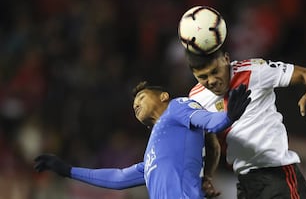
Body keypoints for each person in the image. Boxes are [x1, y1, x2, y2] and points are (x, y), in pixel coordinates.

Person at [34, 81, 251, 199]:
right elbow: (118, 178)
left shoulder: (177, 107)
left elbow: (208, 121)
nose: (136, 104)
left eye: (141, 97)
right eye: (134, 104)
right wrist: (69, 171)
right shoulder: (151, 152)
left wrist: (228, 116)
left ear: (163, 96)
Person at [185, 48, 306, 199]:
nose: (212, 80)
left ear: (226, 59)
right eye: (203, 77)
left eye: (215, 71)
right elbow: (209, 142)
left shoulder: (255, 71)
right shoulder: (196, 98)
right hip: (246, 183)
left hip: (278, 176)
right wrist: (206, 177)